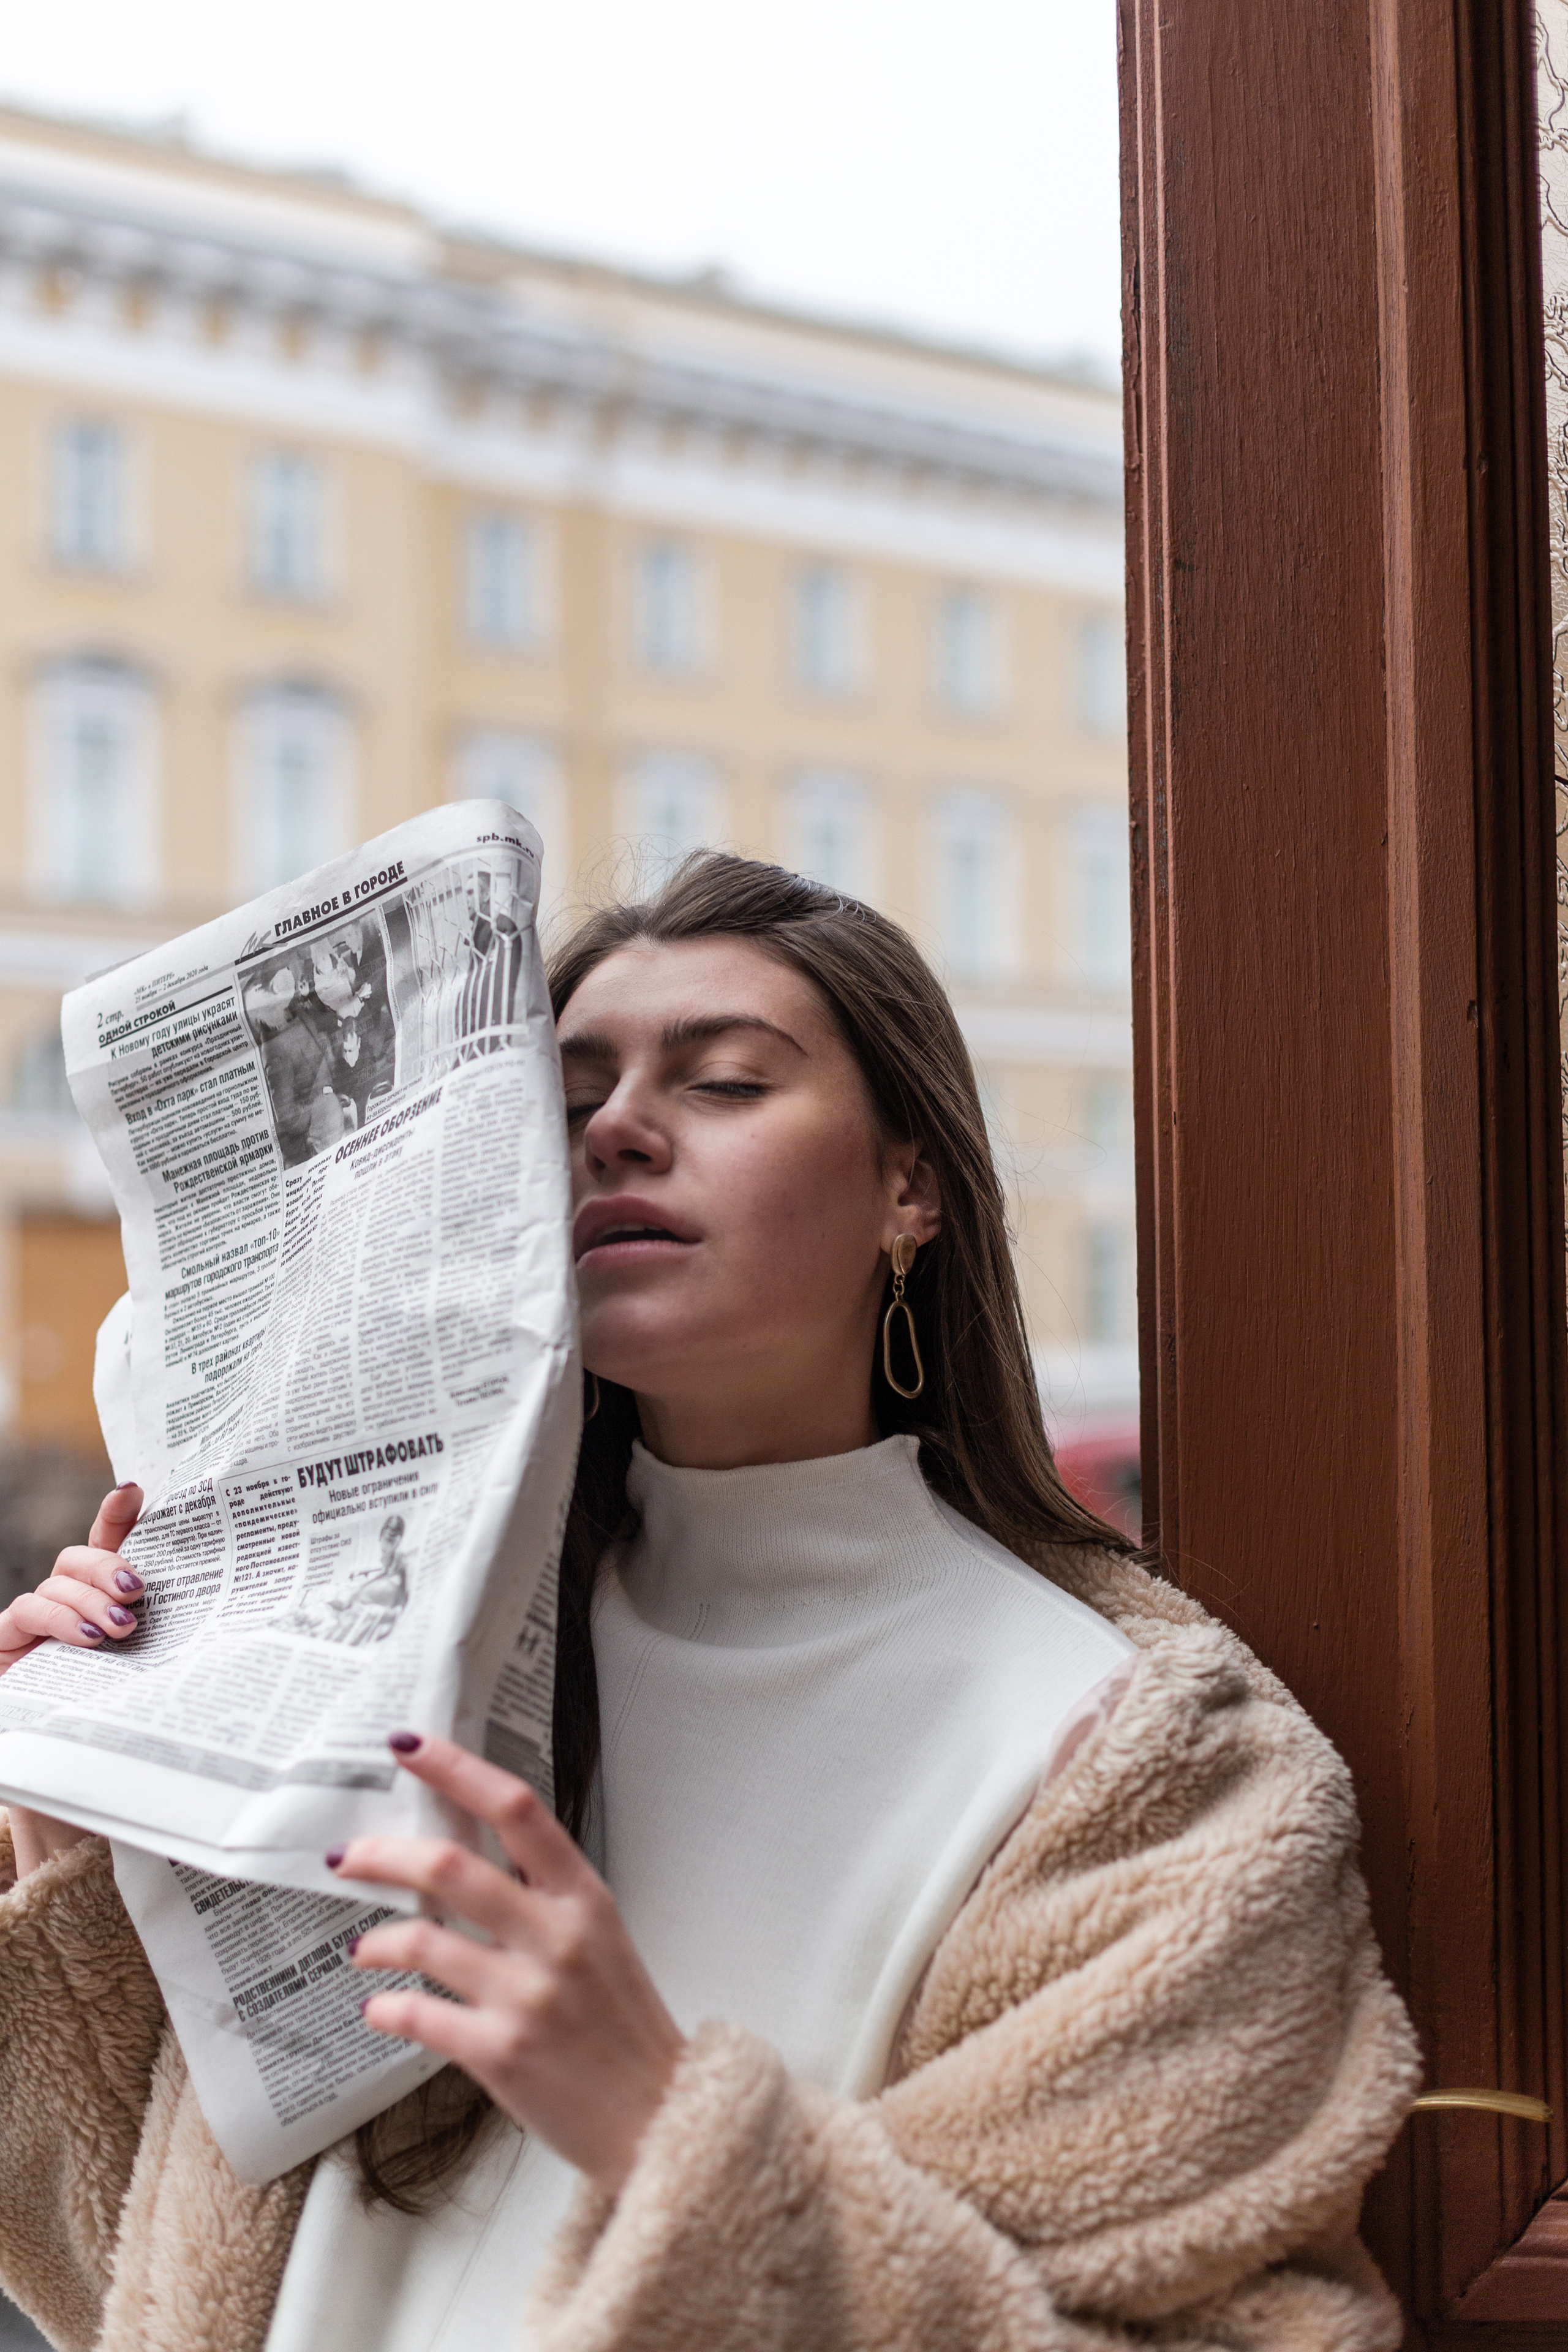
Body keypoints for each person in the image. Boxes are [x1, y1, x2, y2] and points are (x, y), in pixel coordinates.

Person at [0, 855, 1419, 2352]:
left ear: (909, 1186)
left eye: (727, 1082)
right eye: (565, 1102)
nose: (615, 1128)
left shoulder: (1136, 1764)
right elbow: (154, 2283)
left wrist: (664, 2131)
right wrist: (77, 1838)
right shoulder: (398, 1667)